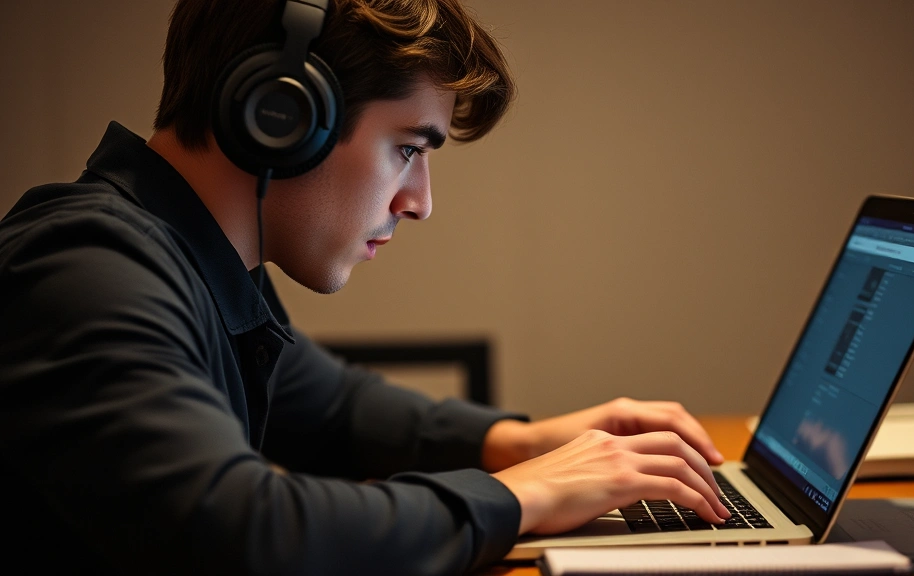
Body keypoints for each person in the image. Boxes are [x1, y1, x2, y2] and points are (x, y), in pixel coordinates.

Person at [0, 0, 730, 574]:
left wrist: (524, 442)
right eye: (408, 149)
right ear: (281, 117)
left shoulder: (194, 259)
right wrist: (522, 494)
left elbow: (328, 408)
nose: (420, 200)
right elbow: (245, 533)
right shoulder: (86, 269)